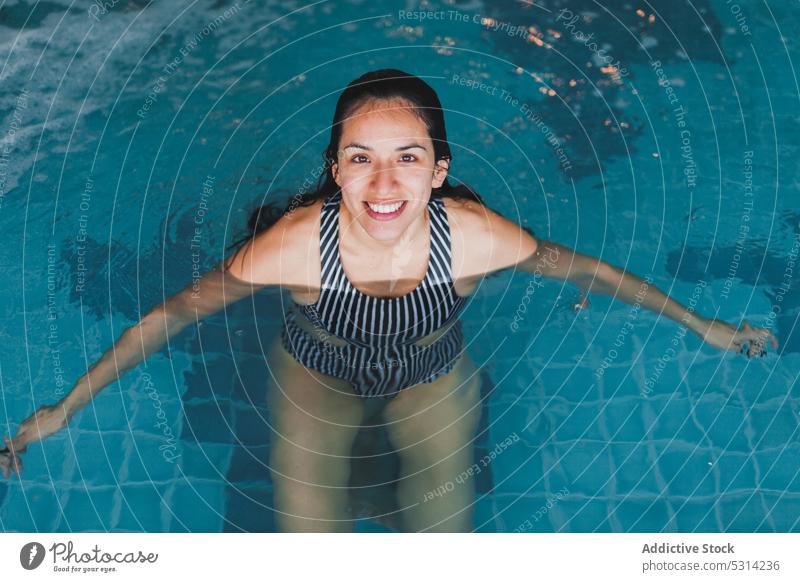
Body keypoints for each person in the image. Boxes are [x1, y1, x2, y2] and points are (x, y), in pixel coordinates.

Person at [1, 70, 779, 532]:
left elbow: (589, 273)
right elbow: (170, 315)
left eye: (407, 159)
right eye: (361, 159)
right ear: (335, 168)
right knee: (310, 548)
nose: (383, 185)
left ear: (440, 169)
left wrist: (701, 324)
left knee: (446, 540)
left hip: (433, 377)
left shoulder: (475, 237)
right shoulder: (292, 248)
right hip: (317, 379)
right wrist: (65, 408)